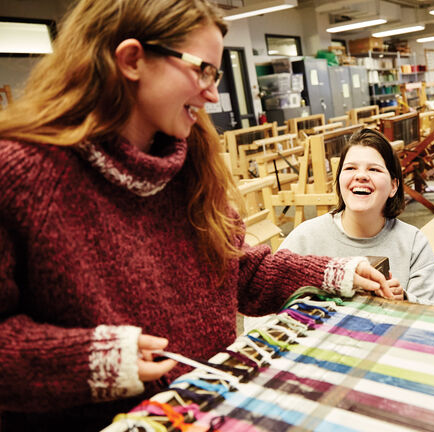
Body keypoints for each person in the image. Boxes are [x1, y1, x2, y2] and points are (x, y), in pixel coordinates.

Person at [0, 0, 397, 429]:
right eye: (201, 70)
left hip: (206, 412)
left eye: (216, 74)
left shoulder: (188, 161)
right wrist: (93, 361)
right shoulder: (22, 174)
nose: (211, 93)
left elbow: (236, 271)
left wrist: (331, 274)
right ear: (132, 59)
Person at [278, 128, 434, 307]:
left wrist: (404, 301)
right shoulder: (306, 238)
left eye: (374, 169)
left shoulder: (413, 242)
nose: (360, 176)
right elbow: (262, 306)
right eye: (350, 168)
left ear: (393, 186)